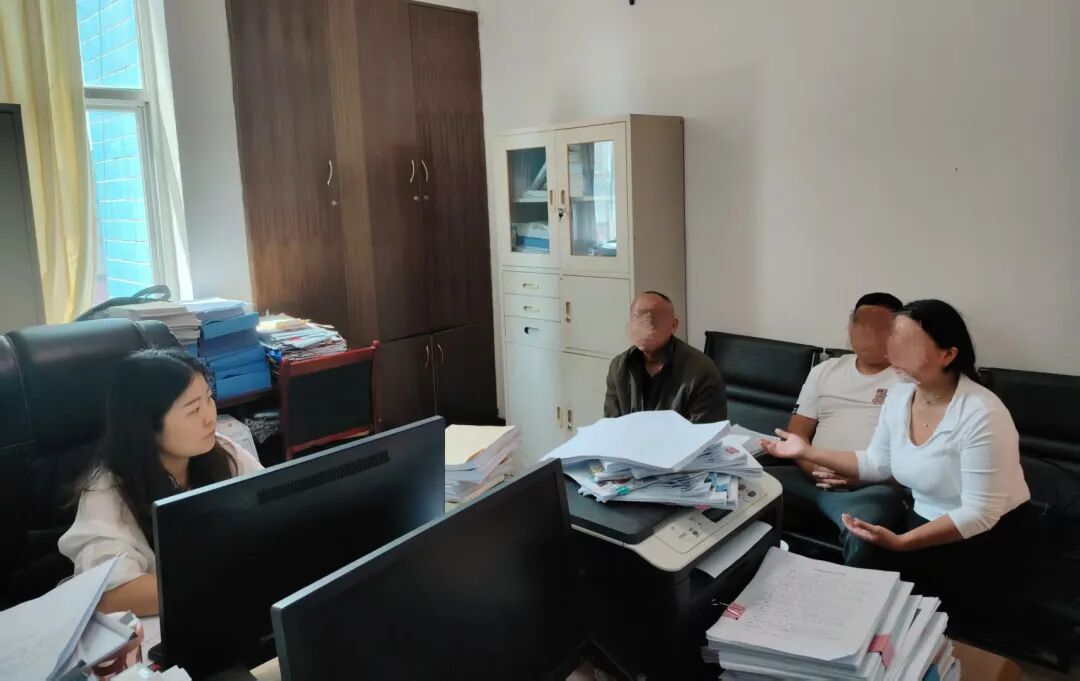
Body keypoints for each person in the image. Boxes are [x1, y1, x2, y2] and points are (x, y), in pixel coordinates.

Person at [761, 299, 1030, 612]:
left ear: (948, 354)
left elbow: (980, 513)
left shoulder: (982, 413)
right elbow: (876, 463)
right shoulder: (902, 394)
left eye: (908, 343)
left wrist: (903, 543)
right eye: (893, 339)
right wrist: (806, 450)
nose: (893, 352)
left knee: (914, 614)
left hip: (978, 539)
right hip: (922, 522)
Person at [59, 348, 263, 616]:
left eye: (209, 399)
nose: (209, 417)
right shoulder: (108, 490)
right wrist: (221, 584)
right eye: (193, 409)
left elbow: (271, 503)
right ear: (147, 425)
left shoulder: (222, 452)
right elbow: (108, 595)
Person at [767, 292, 906, 567]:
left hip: (870, 487)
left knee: (864, 533)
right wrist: (816, 469)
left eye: (878, 326)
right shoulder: (825, 371)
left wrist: (858, 476)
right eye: (860, 322)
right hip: (808, 477)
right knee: (738, 488)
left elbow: (914, 457)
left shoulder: (908, 380)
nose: (866, 332)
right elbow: (797, 434)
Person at [604, 290, 727, 423]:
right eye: (637, 320)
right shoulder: (619, 367)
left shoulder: (702, 372)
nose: (645, 329)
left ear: (673, 325)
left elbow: (704, 432)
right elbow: (611, 425)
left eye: (652, 322)